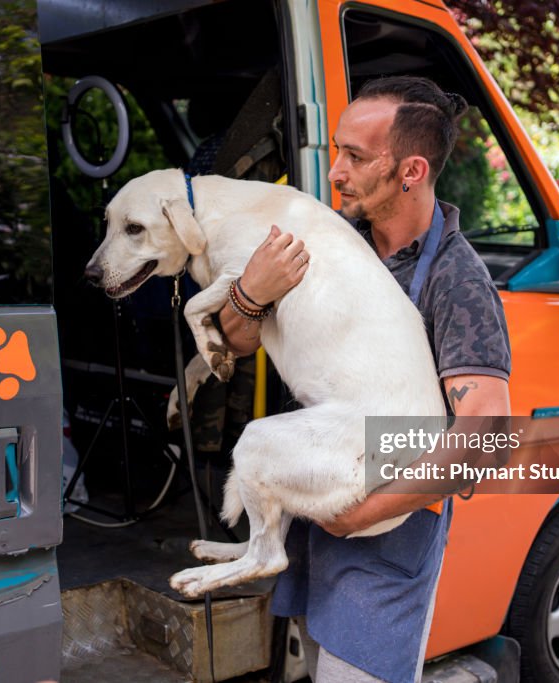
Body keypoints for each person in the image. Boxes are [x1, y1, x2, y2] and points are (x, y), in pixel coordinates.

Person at [217, 76, 511, 683]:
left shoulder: (457, 281)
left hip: (383, 538)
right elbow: (235, 344)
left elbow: (486, 436)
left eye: (354, 156)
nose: (335, 173)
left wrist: (360, 513)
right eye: (336, 151)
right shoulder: (326, 243)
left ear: (410, 170)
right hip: (310, 515)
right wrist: (251, 294)